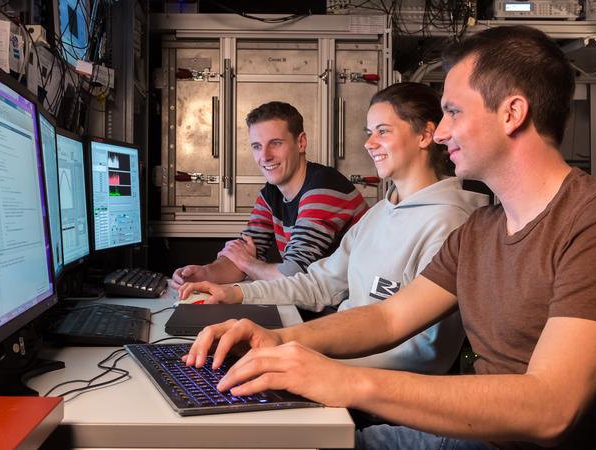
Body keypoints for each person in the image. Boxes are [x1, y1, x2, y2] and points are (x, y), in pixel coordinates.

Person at [180, 25, 596, 450]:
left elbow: (551, 407)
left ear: (512, 113)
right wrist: (280, 339)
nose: (440, 134)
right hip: (479, 438)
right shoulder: (482, 228)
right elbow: (391, 315)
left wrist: (343, 381)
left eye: (454, 113)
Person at [179, 83, 489, 373]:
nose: (368, 143)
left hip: (378, 391)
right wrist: (236, 293)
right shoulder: (379, 214)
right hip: (338, 365)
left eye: (383, 131)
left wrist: (310, 358)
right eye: (369, 132)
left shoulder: (450, 221)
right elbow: (319, 284)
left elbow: (423, 351)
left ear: (425, 136)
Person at [170, 101, 368, 289]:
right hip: (319, 302)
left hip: (352, 308)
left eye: (275, 143)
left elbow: (293, 275)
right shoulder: (271, 193)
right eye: (257, 146)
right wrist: (204, 274)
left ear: (301, 142)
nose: (264, 156)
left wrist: (246, 262)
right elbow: (241, 255)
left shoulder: (324, 187)